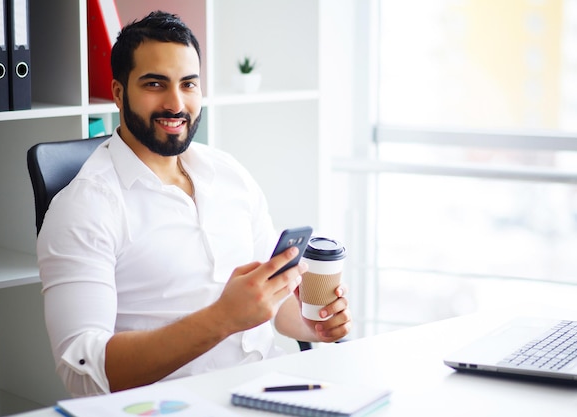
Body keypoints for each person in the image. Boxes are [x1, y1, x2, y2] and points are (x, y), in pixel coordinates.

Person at [37, 10, 352, 398]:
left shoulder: (229, 174)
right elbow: (85, 376)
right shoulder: (85, 207)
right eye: (155, 84)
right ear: (119, 93)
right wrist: (222, 319)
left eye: (188, 84)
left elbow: (274, 306)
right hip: (172, 404)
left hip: (267, 391)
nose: (176, 103)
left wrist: (314, 325)